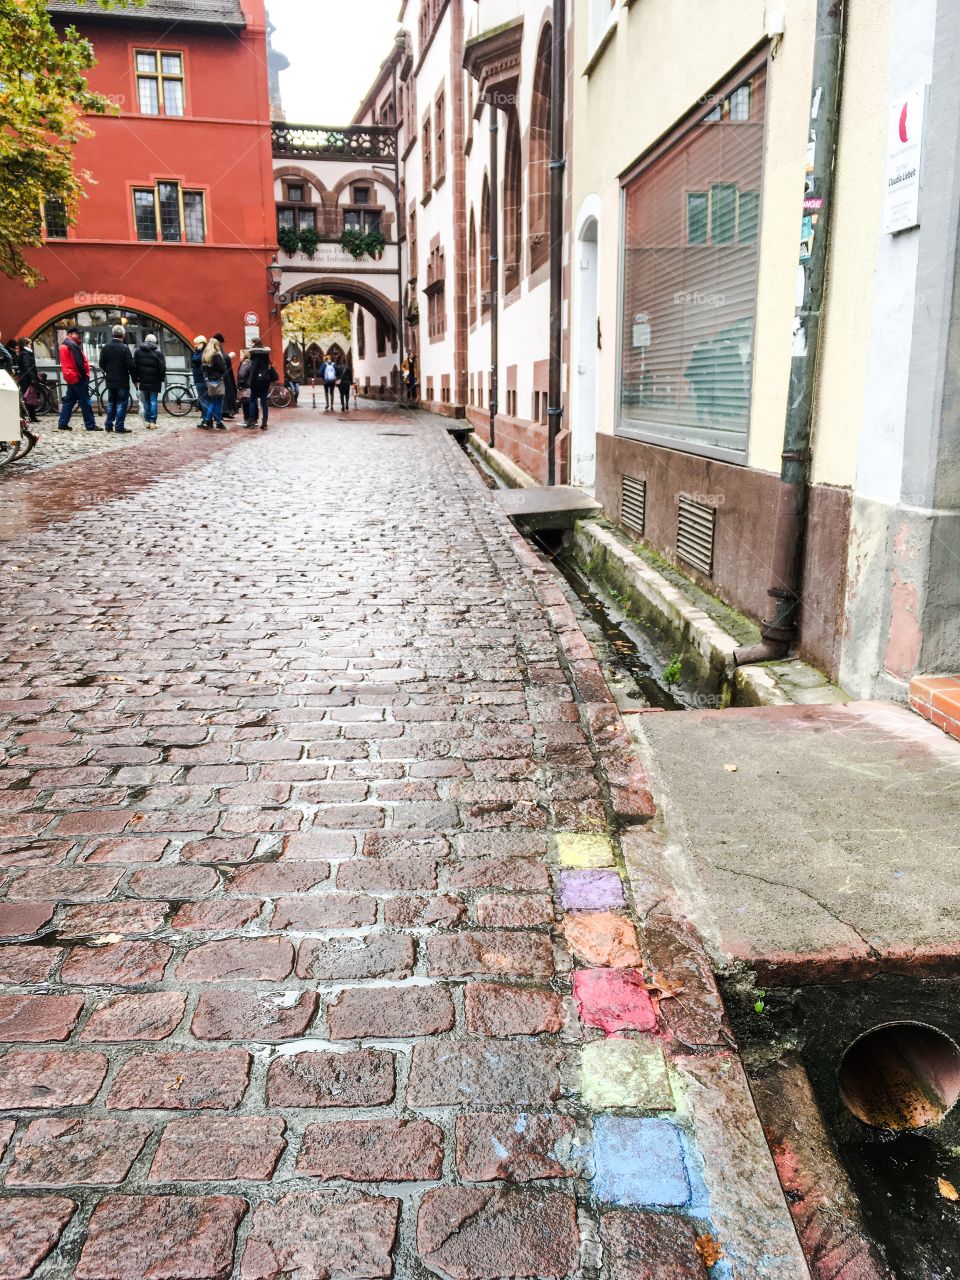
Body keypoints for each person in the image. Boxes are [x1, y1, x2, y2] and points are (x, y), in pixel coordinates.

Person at [57, 326, 99, 431]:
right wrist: (84, 375)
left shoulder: (64, 345)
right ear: (71, 334)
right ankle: (90, 425)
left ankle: (62, 423)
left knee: (69, 400)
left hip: (70, 376)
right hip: (77, 377)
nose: (79, 336)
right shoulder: (72, 345)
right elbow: (79, 363)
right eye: (77, 334)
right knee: (85, 401)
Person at [98, 324, 136, 433]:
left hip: (110, 380)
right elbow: (131, 366)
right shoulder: (124, 348)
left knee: (111, 403)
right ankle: (119, 426)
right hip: (122, 380)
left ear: (112, 334)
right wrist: (135, 379)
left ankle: (108, 424)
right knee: (122, 403)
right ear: (123, 336)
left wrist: (109, 370)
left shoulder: (105, 347)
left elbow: (101, 364)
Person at [132, 333, 166, 427]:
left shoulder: (138, 352)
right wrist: (161, 379)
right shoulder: (158, 352)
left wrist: (136, 379)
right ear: (155, 341)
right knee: (153, 401)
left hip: (143, 380)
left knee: (146, 401)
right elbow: (162, 368)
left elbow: (134, 367)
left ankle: (147, 421)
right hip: (155, 381)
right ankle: (153, 422)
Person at [247, 340, 278, 431]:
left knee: (253, 400)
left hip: (257, 381)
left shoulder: (256, 356)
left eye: (252, 343)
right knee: (264, 402)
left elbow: (253, 370)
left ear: (255, 344)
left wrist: (250, 381)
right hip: (266, 380)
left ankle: (251, 421)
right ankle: (264, 422)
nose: (251, 344)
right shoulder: (266, 355)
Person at [199, 336, 227, 430]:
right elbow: (223, 368)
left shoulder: (205, 355)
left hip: (209, 380)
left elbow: (203, 368)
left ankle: (207, 420)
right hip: (217, 381)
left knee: (212, 402)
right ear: (216, 345)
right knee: (218, 403)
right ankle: (218, 422)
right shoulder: (216, 355)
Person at [212, 333, 238, 419]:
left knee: (220, 396)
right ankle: (222, 413)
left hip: (220, 377)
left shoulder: (213, 349)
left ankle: (223, 412)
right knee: (221, 396)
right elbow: (222, 359)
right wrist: (228, 357)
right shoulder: (216, 350)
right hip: (221, 377)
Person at [16, 339, 41, 424]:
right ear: (26, 345)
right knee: (29, 398)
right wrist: (32, 378)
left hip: (29, 378)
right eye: (30, 344)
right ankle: (30, 416)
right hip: (27, 379)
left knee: (31, 398)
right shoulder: (25, 354)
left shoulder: (26, 353)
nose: (31, 345)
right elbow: (27, 367)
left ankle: (32, 416)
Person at [191, 335, 209, 419]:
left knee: (203, 400)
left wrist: (197, 352)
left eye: (197, 344)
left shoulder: (203, 353)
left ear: (202, 344)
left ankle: (206, 418)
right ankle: (205, 417)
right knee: (203, 399)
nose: (195, 346)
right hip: (199, 379)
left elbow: (195, 359)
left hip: (201, 379)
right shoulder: (200, 352)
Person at [236, 349, 254, 427]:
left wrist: (239, 386)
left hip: (245, 387)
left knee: (245, 404)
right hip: (250, 386)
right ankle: (251, 420)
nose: (240, 357)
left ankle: (247, 420)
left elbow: (241, 375)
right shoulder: (250, 363)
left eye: (241, 355)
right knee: (249, 403)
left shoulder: (244, 364)